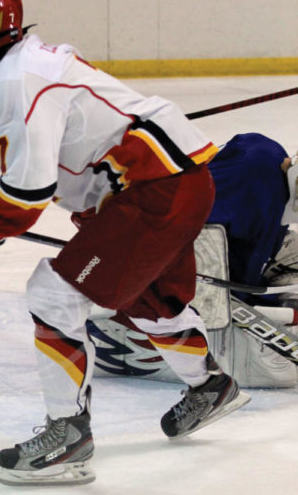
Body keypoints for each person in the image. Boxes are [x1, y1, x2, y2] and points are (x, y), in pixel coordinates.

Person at [0, 0, 250, 487]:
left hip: (154, 192)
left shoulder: (16, 83)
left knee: (53, 295)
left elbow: (29, 190)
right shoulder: (34, 63)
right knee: (151, 300)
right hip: (176, 184)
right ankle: (209, 386)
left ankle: (68, 435)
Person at [89, 133, 298, 388]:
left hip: (177, 252)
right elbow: (170, 231)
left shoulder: (266, 155)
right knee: (279, 368)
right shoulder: (253, 179)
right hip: (148, 274)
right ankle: (130, 341)